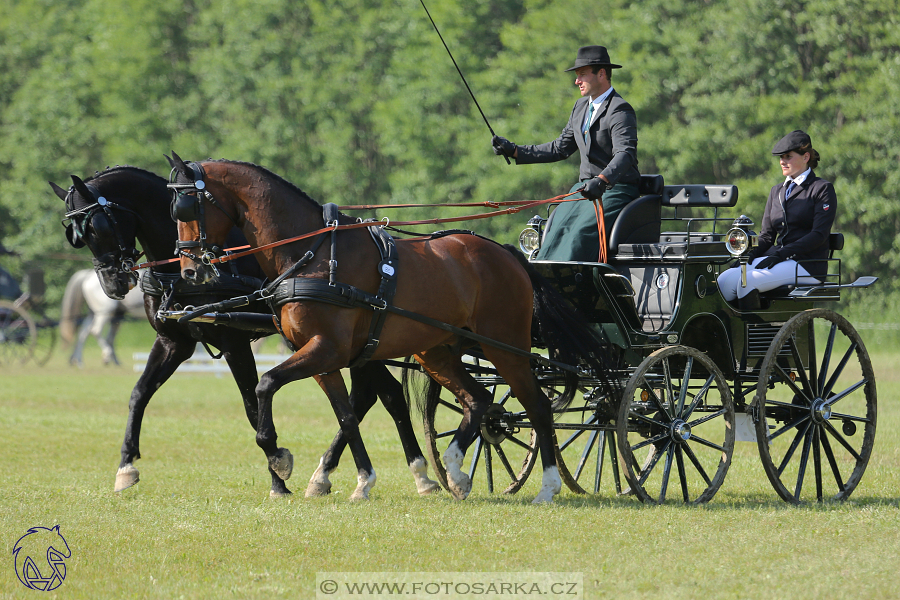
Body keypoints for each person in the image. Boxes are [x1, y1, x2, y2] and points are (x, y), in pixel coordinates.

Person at [491, 45, 640, 262]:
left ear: (601, 74)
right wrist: (515, 151)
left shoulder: (619, 109)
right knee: (553, 232)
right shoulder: (580, 108)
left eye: (581, 75)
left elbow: (625, 154)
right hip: (584, 190)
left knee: (578, 236)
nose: (576, 81)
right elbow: (560, 148)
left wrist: (602, 180)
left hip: (615, 189)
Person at [717, 130, 837, 309]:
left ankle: (755, 332)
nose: (782, 161)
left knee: (746, 282)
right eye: (781, 157)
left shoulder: (821, 189)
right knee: (724, 280)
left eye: (788, 156)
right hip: (778, 258)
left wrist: (782, 254)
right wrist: (751, 255)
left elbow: (818, 235)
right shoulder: (777, 191)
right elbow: (766, 236)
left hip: (806, 264)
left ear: (805, 157)